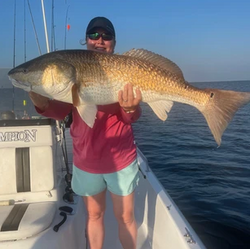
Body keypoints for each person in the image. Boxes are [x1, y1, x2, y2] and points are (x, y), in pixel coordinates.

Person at [29, 17, 142, 249]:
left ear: (113, 42)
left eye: (106, 36)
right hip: (86, 159)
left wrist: (130, 108)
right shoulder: (74, 70)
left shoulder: (126, 68)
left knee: (126, 217)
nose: (99, 40)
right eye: (93, 35)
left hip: (120, 159)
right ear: (86, 41)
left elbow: (130, 116)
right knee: (93, 215)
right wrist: (43, 105)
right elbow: (64, 110)